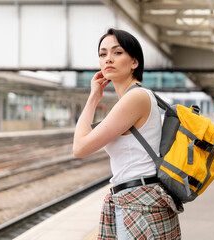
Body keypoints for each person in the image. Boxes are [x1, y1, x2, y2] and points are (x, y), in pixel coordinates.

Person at [73, 28, 183, 239]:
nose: (108, 59)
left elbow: (80, 147)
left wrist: (93, 98)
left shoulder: (135, 98)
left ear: (134, 62)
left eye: (117, 52)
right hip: (138, 201)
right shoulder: (135, 96)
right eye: (102, 54)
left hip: (139, 205)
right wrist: (95, 94)